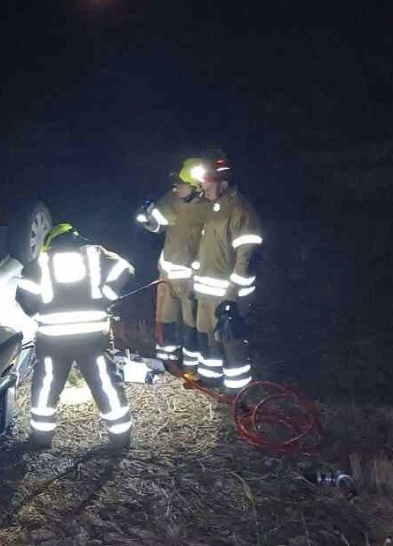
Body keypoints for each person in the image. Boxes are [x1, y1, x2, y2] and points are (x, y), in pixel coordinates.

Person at [16, 225, 135, 449]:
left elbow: (25, 297)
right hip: (92, 336)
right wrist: (107, 294)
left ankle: (41, 438)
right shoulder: (95, 253)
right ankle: (120, 437)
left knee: (47, 385)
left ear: (50, 242)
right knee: (105, 382)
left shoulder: (40, 263)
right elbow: (125, 267)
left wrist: (38, 309)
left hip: (53, 339)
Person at [191, 154, 263, 393]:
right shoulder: (215, 207)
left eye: (206, 183)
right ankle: (211, 380)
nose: (202, 187)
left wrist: (232, 295)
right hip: (207, 292)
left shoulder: (240, 210)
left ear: (222, 183)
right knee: (209, 338)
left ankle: (238, 392)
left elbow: (246, 257)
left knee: (231, 343)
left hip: (227, 294)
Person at [135, 158, 212, 370]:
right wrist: (148, 217)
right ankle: (167, 363)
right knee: (165, 320)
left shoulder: (210, 208)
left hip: (190, 277)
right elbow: (158, 226)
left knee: (191, 324)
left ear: (196, 188)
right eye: (175, 184)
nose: (176, 188)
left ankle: (191, 367)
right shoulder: (169, 199)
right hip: (167, 273)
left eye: (181, 184)